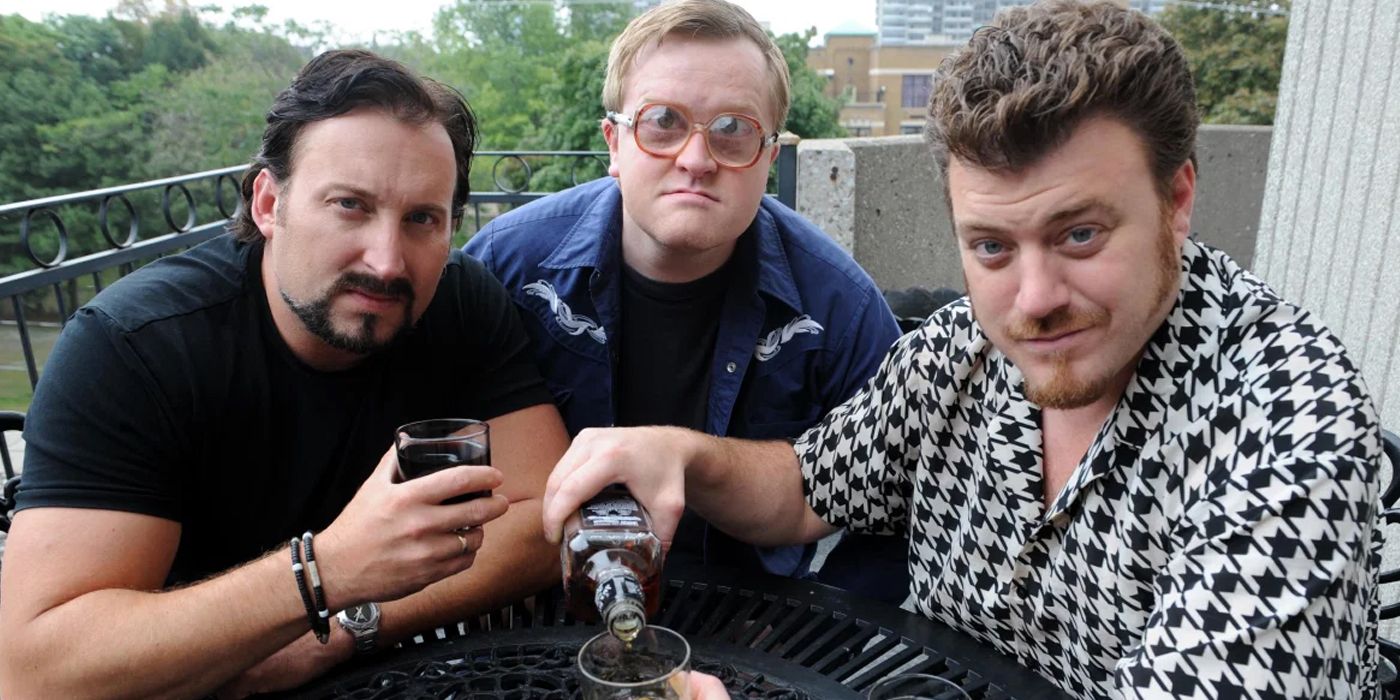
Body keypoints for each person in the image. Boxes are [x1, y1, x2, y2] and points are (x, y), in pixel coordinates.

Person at [538, 2, 1383, 697]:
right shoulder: (957, 349)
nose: (1034, 298)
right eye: (991, 247)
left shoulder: (1290, 418)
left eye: (1080, 234)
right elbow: (806, 489)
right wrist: (679, 454)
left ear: (1178, 196)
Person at [0, 50, 570, 698]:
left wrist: (344, 625)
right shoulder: (134, 347)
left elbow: (546, 520)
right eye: (350, 205)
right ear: (269, 203)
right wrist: (322, 574)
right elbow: (34, 674)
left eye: (422, 219)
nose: (387, 261)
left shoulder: (459, 298)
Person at [464, 0, 904, 597]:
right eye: (662, 121)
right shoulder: (506, 268)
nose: (696, 160)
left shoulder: (837, 307)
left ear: (769, 158)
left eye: (733, 131)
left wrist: (810, 629)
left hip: (750, 624)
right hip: (536, 610)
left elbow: (901, 501)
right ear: (614, 143)